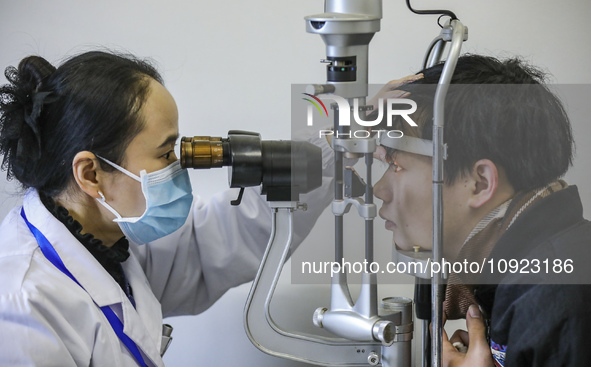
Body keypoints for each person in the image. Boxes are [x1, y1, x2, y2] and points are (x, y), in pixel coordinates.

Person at [0, 51, 333, 366]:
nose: (179, 166)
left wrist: (334, 143)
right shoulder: (24, 303)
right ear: (91, 174)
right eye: (165, 153)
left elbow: (217, 240)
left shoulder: (110, 239)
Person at [373, 54, 591, 366]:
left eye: (396, 165)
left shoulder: (556, 298)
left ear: (479, 183)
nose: (378, 190)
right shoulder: (526, 273)